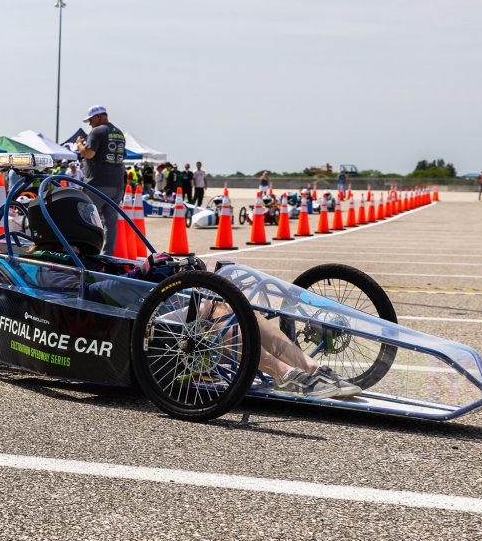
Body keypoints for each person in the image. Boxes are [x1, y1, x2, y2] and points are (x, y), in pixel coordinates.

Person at [26, 186, 361, 399]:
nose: (93, 220)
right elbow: (88, 298)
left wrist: (159, 268)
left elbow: (112, 280)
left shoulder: (81, 258)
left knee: (233, 306)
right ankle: (286, 375)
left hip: (135, 321)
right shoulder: (47, 263)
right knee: (217, 311)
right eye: (86, 215)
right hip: (109, 331)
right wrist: (142, 273)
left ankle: (310, 370)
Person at [74, 105, 126, 254]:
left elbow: (89, 153)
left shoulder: (97, 131)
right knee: (110, 222)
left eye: (91, 120)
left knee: (86, 218)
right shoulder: (119, 133)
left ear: (98, 117)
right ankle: (108, 255)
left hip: (98, 183)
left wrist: (79, 145)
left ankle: (85, 253)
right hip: (117, 184)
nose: (90, 124)